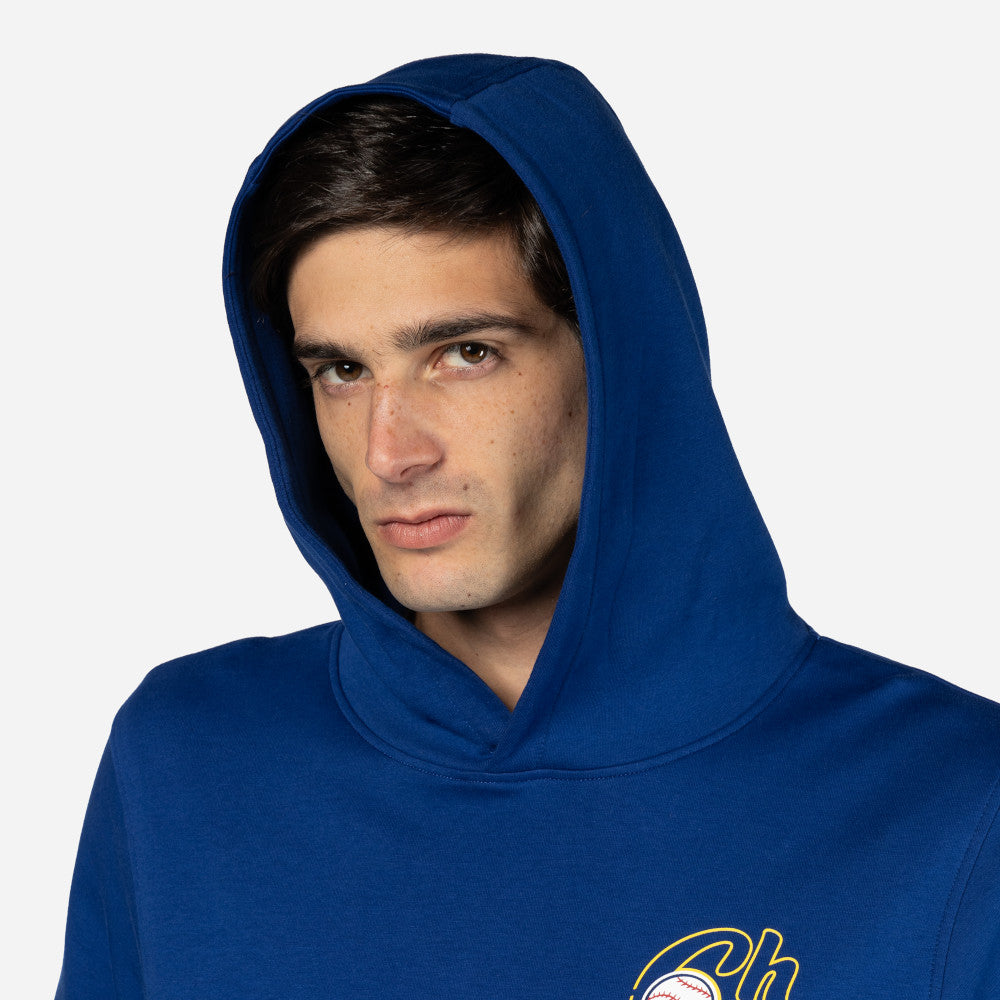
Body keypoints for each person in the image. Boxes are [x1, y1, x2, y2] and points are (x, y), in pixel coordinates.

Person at [57, 54, 999, 999]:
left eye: (465, 354)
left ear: (621, 359)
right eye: (342, 372)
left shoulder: (955, 808)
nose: (390, 452)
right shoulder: (185, 765)